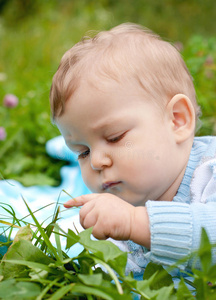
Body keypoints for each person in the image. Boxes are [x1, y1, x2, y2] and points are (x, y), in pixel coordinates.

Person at [49, 23, 216, 280]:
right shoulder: (116, 217)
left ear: (177, 120)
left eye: (114, 138)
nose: (96, 161)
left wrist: (135, 223)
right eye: (82, 152)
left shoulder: (210, 171)